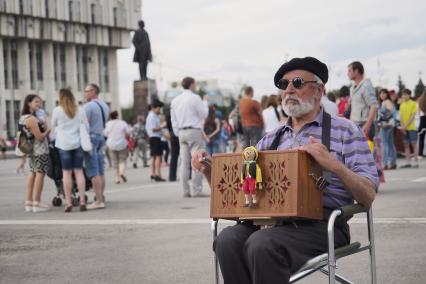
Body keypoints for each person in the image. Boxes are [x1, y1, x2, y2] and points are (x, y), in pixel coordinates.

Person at [192, 56, 378, 284]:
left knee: (262, 244)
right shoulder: (270, 138)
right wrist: (207, 171)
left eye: (297, 83)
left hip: (323, 224)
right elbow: (241, 193)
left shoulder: (346, 131)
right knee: (227, 239)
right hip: (271, 223)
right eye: (283, 84)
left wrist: (333, 164)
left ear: (318, 91)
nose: (288, 89)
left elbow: (368, 195)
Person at [170, 76, 209, 197]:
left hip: (182, 132)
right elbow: (203, 114)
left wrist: (177, 132)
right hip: (194, 131)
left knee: (184, 162)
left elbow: (173, 119)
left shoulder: (175, 100)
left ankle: (185, 190)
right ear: (191, 85)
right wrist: (205, 102)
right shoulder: (195, 98)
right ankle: (196, 190)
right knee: (197, 160)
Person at [51, 88, 88, 212]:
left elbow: (53, 125)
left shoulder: (57, 110)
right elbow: (86, 126)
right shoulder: (80, 110)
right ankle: (82, 201)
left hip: (63, 145)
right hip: (77, 144)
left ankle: (68, 202)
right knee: (79, 172)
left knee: (66, 174)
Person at [19, 94, 51, 213]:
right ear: (29, 103)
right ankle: (37, 203)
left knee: (32, 173)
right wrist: (48, 130)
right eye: (36, 102)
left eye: (40, 102)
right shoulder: (31, 119)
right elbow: (39, 137)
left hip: (31, 151)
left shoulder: (23, 117)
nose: (39, 104)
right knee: (40, 174)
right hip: (40, 150)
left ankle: (29, 202)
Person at [83, 83, 109, 210]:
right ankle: (101, 196)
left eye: (87, 91)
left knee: (93, 170)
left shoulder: (89, 106)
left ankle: (98, 200)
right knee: (100, 169)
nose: (85, 93)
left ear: (93, 91)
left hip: (91, 138)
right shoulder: (104, 105)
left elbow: (84, 123)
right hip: (100, 136)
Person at [347, 61, 379, 140]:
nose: (347, 73)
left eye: (349, 71)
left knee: (366, 151)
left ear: (356, 71)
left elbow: (374, 105)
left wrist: (367, 125)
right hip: (355, 125)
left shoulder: (366, 86)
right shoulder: (352, 88)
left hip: (364, 125)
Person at [104, 111, 130, 184]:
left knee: (114, 161)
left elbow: (105, 134)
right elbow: (128, 132)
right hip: (121, 143)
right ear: (117, 116)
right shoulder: (122, 123)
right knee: (122, 159)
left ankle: (117, 178)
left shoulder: (108, 124)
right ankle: (121, 172)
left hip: (111, 144)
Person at [146, 99, 166, 182]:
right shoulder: (152, 116)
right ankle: (158, 174)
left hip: (152, 137)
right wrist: (162, 126)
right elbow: (153, 129)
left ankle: (153, 173)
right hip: (155, 137)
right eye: (158, 108)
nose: (159, 110)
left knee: (153, 157)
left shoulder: (151, 115)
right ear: (154, 108)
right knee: (158, 157)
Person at [377, 89, 397, 169]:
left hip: (385, 125)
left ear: (386, 94)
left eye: (384, 93)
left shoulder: (386, 102)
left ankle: (384, 163)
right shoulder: (389, 101)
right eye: (380, 93)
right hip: (390, 125)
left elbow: (391, 111)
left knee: (384, 144)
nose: (382, 95)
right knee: (390, 143)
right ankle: (393, 163)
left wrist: (383, 119)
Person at [399, 89, 419, 168]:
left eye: (406, 94)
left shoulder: (413, 103)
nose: (404, 96)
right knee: (406, 145)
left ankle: (416, 161)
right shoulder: (402, 104)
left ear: (409, 95)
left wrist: (405, 126)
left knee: (414, 144)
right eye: (403, 94)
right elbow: (400, 117)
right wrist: (402, 127)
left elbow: (412, 116)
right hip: (404, 128)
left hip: (411, 128)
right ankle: (408, 161)